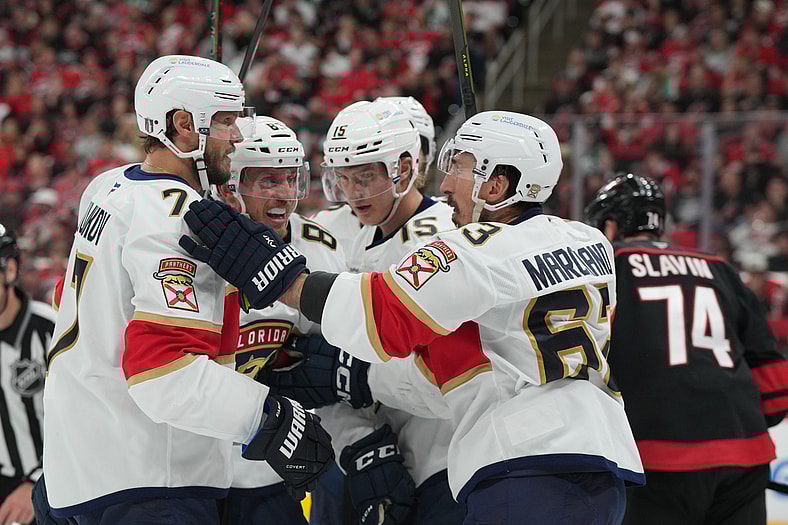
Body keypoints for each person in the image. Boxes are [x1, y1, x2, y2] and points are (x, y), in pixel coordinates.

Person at [180, 110, 645, 524]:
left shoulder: (474, 249)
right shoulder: (589, 242)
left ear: (497, 184)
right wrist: (359, 380)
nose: (443, 187)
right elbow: (464, 361)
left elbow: (380, 316)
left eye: (459, 170)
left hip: (524, 464)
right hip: (602, 464)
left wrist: (279, 276)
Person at [41, 55, 333, 524]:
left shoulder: (109, 189)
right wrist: (270, 418)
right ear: (183, 126)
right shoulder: (176, 218)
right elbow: (163, 372)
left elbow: (75, 302)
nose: (237, 136)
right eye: (224, 122)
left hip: (81, 470)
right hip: (151, 477)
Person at [268, 97, 464, 525]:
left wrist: (354, 373)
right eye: (345, 180)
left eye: (366, 178)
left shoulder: (442, 237)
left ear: (407, 170)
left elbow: (437, 365)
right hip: (376, 445)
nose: (354, 194)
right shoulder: (353, 234)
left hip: (445, 452)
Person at [584, 173, 788, 525]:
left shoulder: (604, 269)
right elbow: (775, 385)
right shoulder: (719, 268)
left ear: (611, 227)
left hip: (654, 460)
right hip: (744, 458)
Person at [214, 115, 346, 525]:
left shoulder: (319, 249)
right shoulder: (195, 242)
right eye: (268, 180)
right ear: (232, 184)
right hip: (190, 462)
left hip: (266, 463)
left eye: (291, 179)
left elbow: (330, 350)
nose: (286, 194)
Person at [313, 96, 437, 255]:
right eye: (342, 177)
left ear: (403, 169)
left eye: (365, 177)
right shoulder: (372, 229)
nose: (353, 194)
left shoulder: (433, 241)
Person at [0, 225, 53, 525]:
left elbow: (84, 417)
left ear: (8, 271)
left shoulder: (50, 330)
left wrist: (37, 482)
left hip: (51, 486)